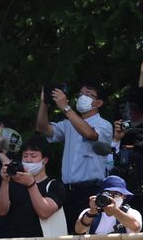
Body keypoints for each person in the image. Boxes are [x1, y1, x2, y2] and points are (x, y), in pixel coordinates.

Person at [36, 81, 112, 225]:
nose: (83, 97)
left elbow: (91, 134)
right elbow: (43, 128)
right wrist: (45, 103)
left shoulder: (104, 124)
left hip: (91, 191)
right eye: (81, 94)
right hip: (67, 191)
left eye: (88, 94)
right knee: (68, 238)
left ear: (99, 103)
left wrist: (65, 107)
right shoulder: (69, 123)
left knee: (89, 236)